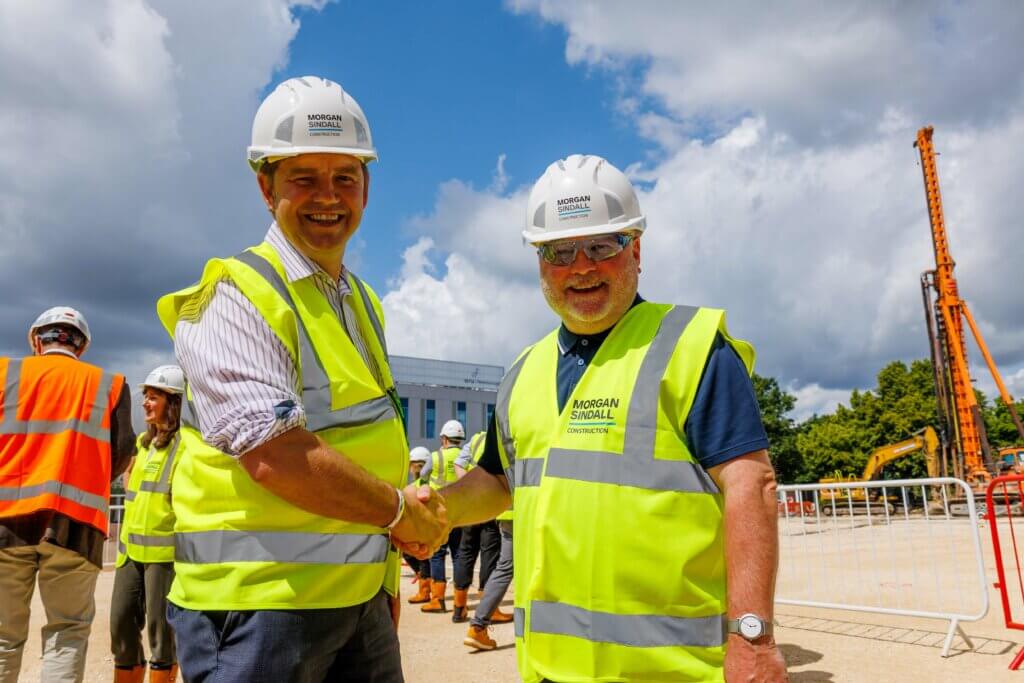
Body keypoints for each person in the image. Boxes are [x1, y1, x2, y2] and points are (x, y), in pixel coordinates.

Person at [424, 155, 788, 682]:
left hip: (673, 671)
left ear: (636, 249)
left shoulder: (691, 347)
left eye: (601, 246)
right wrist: (431, 512)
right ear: (539, 262)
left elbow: (751, 485)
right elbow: (498, 481)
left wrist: (754, 637)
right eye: (560, 251)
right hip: (551, 670)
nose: (582, 267)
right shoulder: (524, 371)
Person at [156, 75, 447, 683]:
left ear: (367, 186)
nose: (328, 196)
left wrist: (381, 575)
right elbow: (275, 455)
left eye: (345, 177)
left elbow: (365, 442)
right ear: (266, 187)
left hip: (354, 599)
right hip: (258, 611)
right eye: (303, 178)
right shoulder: (236, 294)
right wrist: (399, 514)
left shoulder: (362, 302)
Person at [0, 307, 135, 682]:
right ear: (82, 345)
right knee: (67, 632)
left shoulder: (5, 373)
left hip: (5, 522)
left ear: (36, 340)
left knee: (3, 637)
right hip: (75, 526)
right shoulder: (109, 384)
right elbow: (122, 451)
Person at [110, 365, 187, 683]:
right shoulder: (141, 446)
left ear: (173, 403)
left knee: (161, 636)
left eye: (153, 397)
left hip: (164, 559)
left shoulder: (184, 447)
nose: (145, 403)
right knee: (120, 626)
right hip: (129, 556)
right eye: (145, 396)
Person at [449, 431, 502, 623]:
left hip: (472, 507)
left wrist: (470, 491)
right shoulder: (502, 439)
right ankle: (489, 609)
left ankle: (459, 607)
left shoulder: (477, 438)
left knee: (466, 551)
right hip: (490, 504)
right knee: (490, 554)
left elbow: (458, 464)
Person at [416, 419, 465, 614]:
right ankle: (459, 604)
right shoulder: (464, 456)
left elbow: (423, 478)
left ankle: (438, 599)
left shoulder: (435, 457)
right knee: (459, 555)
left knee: (437, 555)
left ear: (444, 439)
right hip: (460, 514)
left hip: (438, 514)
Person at [404, 447, 433, 605]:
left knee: (420, 556)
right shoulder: (424, 481)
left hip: (420, 524)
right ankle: (425, 585)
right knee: (421, 556)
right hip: (423, 523)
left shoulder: (418, 483)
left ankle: (425, 590)